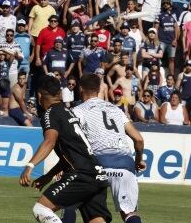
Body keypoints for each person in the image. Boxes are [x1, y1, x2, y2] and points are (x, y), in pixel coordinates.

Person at [19, 75, 111, 223]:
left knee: (41, 209)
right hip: (97, 173)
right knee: (96, 220)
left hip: (82, 174)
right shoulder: (67, 111)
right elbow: (67, 159)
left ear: (40, 95)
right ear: (60, 94)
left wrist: (30, 166)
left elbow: (49, 141)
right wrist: (48, 176)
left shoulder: (51, 113)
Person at [74, 73, 146, 223]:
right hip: (125, 165)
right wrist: (138, 160)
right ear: (99, 88)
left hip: (98, 165)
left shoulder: (78, 111)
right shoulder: (116, 110)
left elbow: (72, 141)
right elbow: (138, 139)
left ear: (80, 89)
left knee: (91, 212)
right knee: (129, 213)